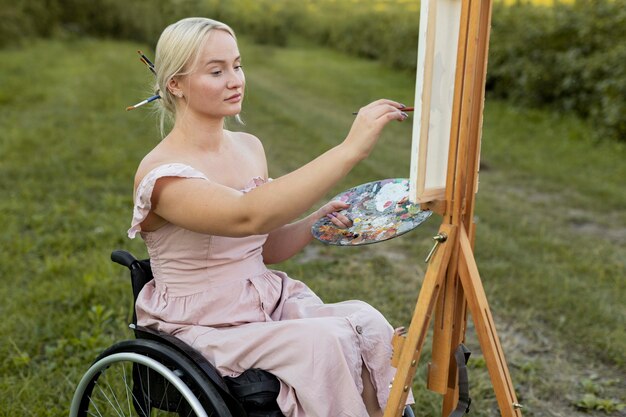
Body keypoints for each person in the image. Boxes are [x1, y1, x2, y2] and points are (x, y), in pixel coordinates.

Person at [128, 17, 412, 417]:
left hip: (264, 301)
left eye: (237, 65)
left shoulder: (248, 147)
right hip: (204, 323)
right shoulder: (163, 173)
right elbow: (247, 218)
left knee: (366, 321)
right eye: (216, 70)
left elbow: (266, 245)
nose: (235, 80)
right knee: (326, 340)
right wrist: (351, 149)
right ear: (175, 84)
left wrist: (315, 221)